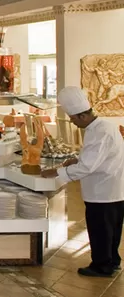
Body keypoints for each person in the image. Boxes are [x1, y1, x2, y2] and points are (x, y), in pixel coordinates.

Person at [41, 86, 124, 277]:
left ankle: (101, 266)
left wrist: (56, 172)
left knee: (100, 230)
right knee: (112, 229)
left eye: (73, 119)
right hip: (113, 188)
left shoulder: (99, 132)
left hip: (102, 190)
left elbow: (87, 167)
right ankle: (112, 261)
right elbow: (99, 157)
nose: (73, 122)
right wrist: (77, 160)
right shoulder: (105, 126)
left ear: (83, 116)